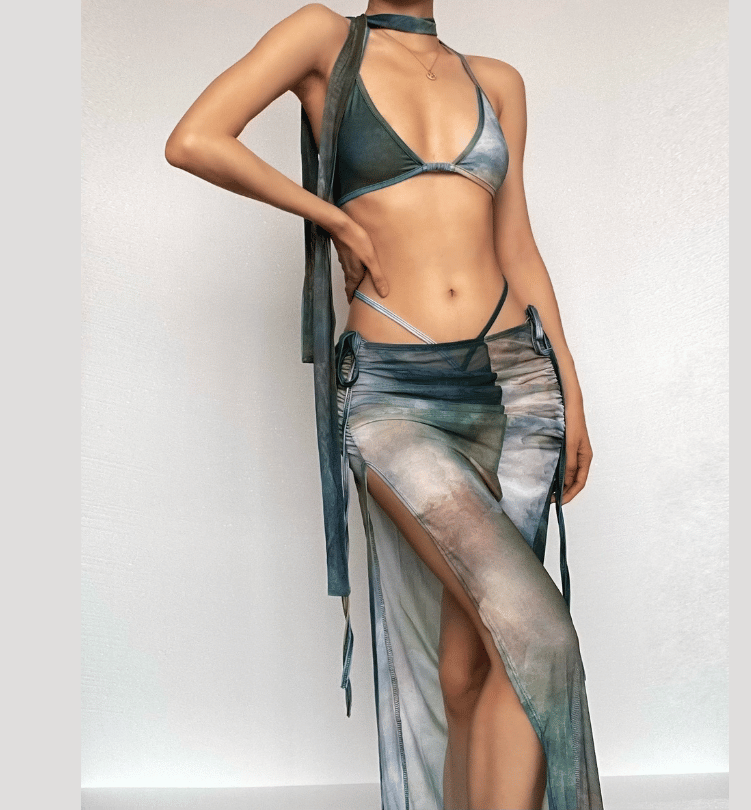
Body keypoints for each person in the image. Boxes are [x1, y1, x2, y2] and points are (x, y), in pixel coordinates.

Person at [165, 2, 603, 808]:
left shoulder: (497, 82)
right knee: (537, 634)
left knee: (475, 663)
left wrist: (570, 386)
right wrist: (332, 216)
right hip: (393, 395)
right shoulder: (322, 39)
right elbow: (194, 139)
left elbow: (517, 246)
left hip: (517, 385)